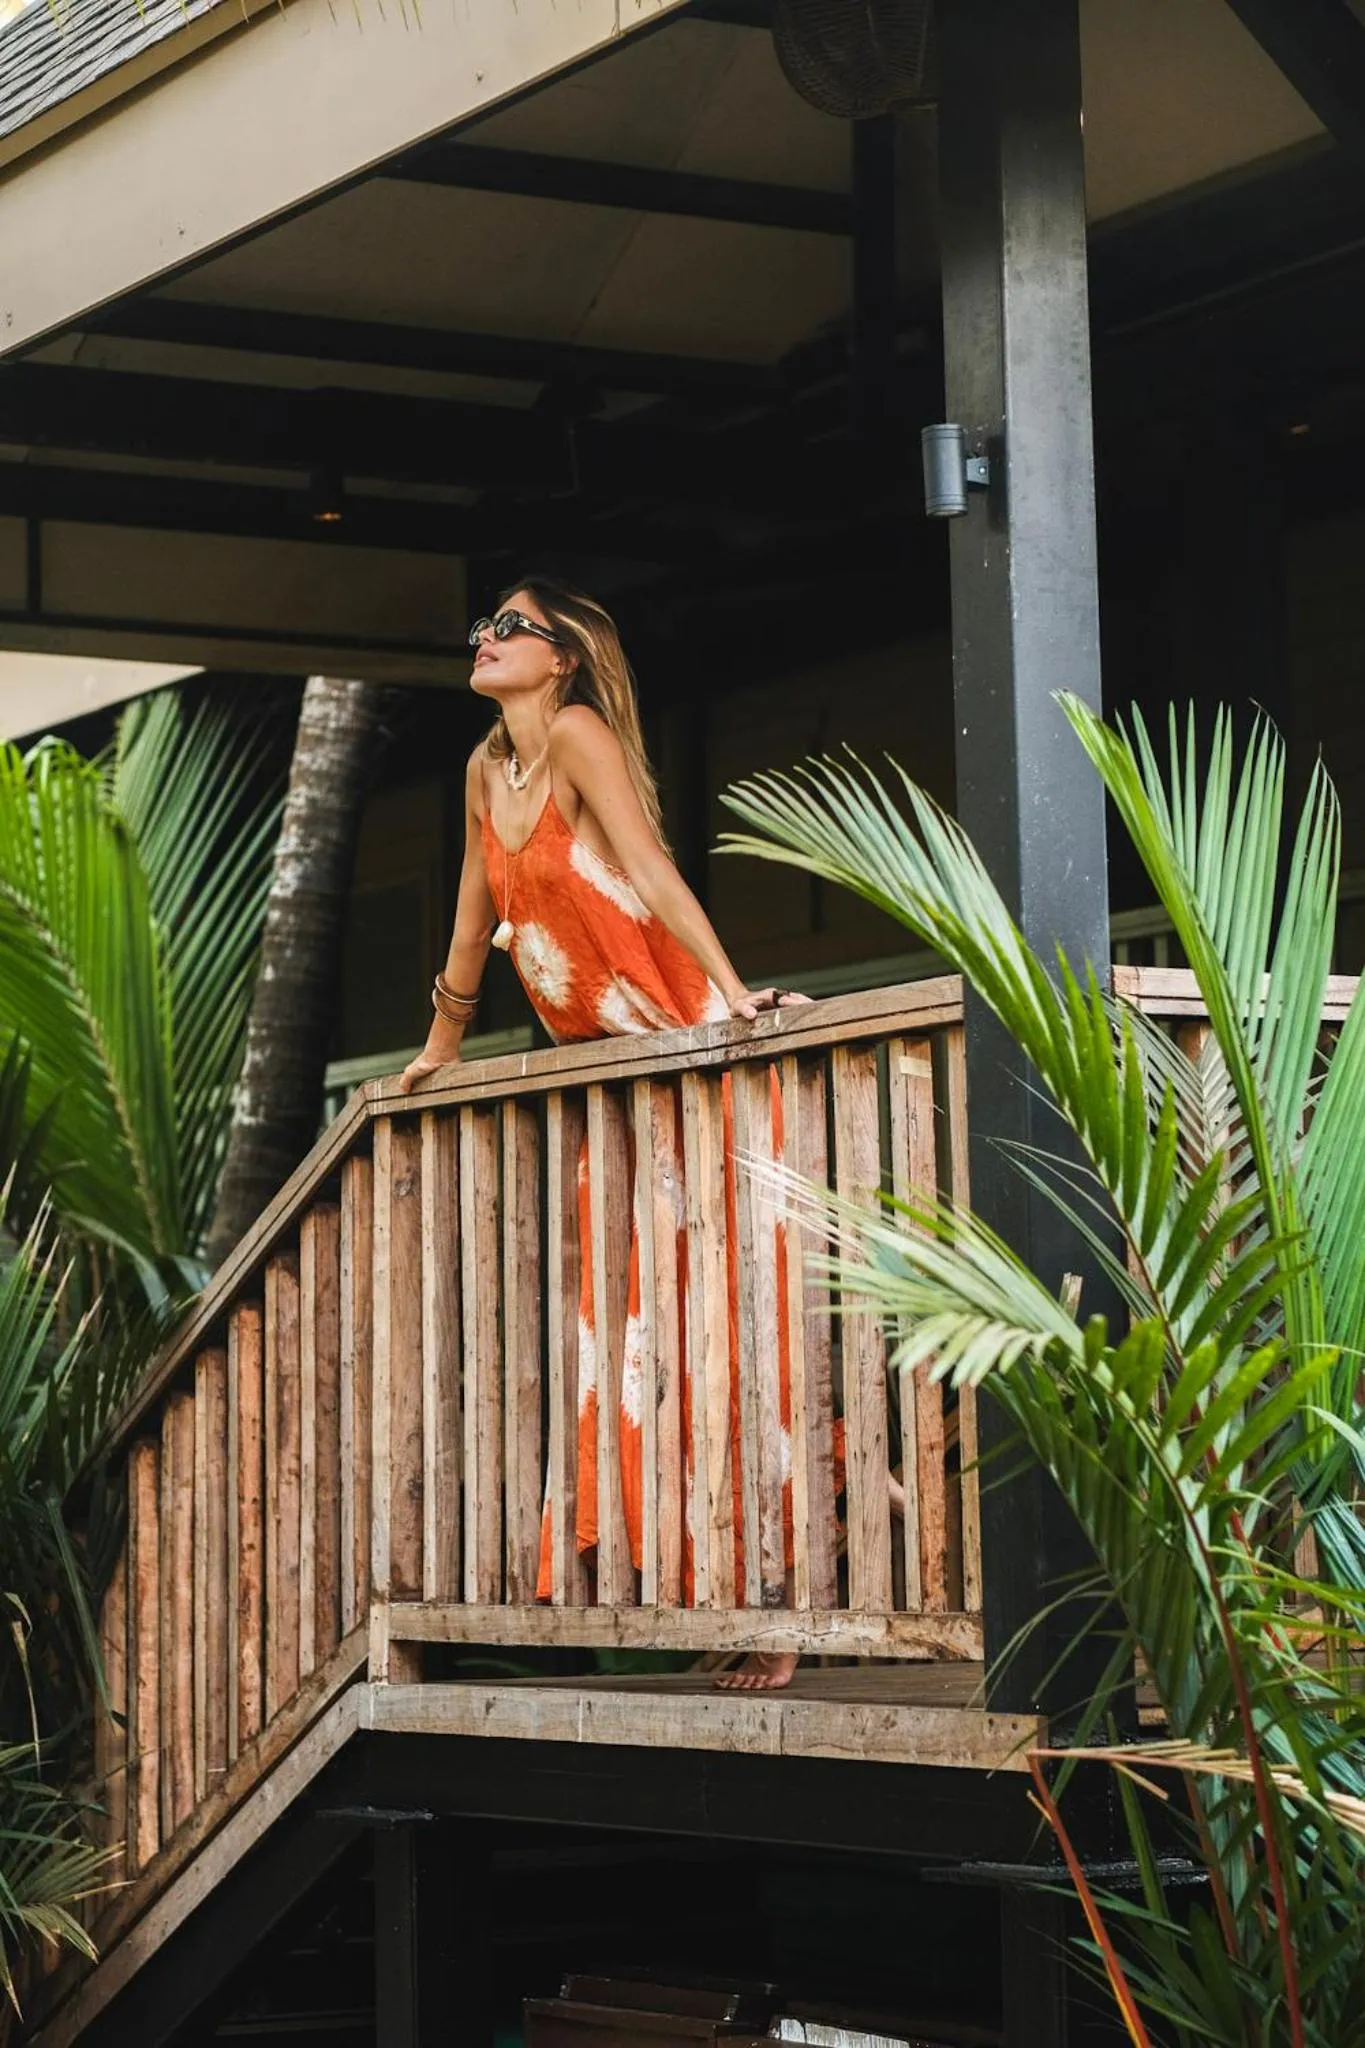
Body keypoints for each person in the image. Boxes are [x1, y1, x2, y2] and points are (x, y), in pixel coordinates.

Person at [398, 576, 814, 1688]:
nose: (485, 637)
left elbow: (652, 872)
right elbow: (471, 926)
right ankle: (701, 1592)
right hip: (614, 1094)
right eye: (482, 623)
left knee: (726, 1343)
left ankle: (778, 1610)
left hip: (687, 1064)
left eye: (512, 627)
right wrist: (440, 1048)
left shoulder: (579, 735)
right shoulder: (488, 767)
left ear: (565, 660)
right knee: (634, 1355)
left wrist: (731, 993)